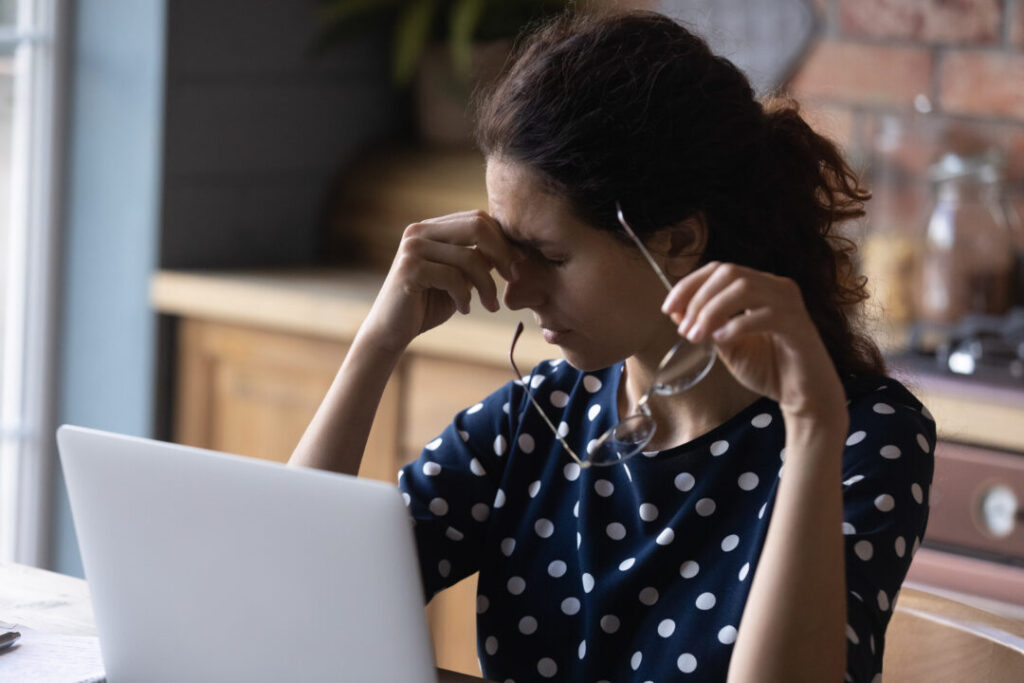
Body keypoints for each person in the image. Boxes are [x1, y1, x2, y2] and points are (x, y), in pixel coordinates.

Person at [289, 9, 934, 683]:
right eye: (511, 249)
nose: (516, 291)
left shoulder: (859, 434)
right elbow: (296, 599)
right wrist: (377, 344)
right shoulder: (534, 419)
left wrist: (811, 428)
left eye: (545, 254)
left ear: (678, 240)